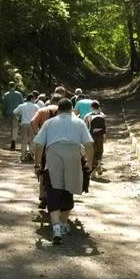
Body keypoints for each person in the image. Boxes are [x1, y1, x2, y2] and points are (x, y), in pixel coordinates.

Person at [33, 98, 94, 245]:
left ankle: (56, 228)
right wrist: (89, 165)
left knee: (53, 190)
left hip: (53, 155)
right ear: (71, 109)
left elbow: (39, 145)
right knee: (69, 190)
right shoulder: (79, 123)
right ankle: (63, 223)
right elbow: (89, 144)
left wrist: (37, 164)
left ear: (58, 109)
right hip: (73, 155)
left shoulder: (49, 123)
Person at [30, 94, 61, 209]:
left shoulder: (42, 110)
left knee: (42, 168)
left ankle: (43, 196)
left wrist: (37, 134)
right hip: (58, 143)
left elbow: (32, 122)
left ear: (51, 101)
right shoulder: (63, 112)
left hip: (45, 144)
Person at [13, 94, 40, 162]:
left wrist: (18, 118)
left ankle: (23, 156)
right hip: (32, 124)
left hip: (24, 124)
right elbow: (39, 113)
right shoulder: (36, 106)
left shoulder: (21, 106)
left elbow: (14, 112)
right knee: (32, 140)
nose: (34, 100)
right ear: (31, 99)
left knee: (24, 140)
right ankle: (31, 154)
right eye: (34, 99)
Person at [84, 100, 106, 176]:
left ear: (91, 107)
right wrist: (105, 135)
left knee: (93, 152)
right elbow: (104, 126)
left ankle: (93, 171)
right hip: (100, 135)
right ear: (98, 107)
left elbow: (85, 127)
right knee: (100, 150)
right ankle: (99, 165)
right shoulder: (102, 115)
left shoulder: (88, 115)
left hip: (91, 136)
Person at [2, 82, 24, 150]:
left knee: (11, 127)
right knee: (15, 128)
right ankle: (13, 140)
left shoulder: (6, 95)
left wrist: (3, 112)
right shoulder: (19, 94)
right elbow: (22, 104)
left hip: (9, 113)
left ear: (9, 86)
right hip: (17, 113)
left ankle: (12, 140)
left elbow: (4, 105)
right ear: (15, 86)